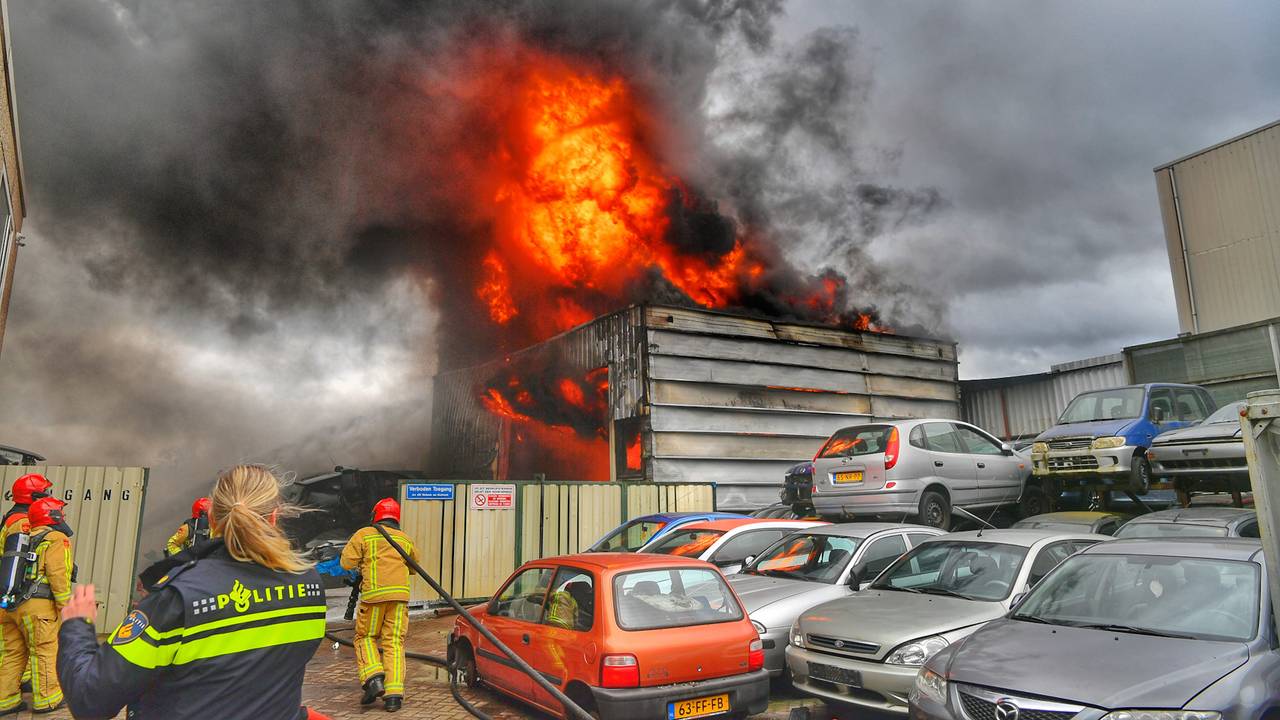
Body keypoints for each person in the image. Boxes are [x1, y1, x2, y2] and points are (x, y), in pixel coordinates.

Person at [55, 464, 328, 719]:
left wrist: (77, 625)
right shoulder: (309, 583)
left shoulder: (177, 598)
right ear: (274, 517)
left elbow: (91, 700)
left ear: (212, 519)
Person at [340, 498, 418, 713]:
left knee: (365, 637)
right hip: (399, 598)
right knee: (394, 642)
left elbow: (346, 562)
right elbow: (413, 567)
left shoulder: (364, 534)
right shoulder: (405, 539)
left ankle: (374, 679)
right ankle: (394, 696)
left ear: (376, 515)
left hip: (373, 597)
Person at [0, 496, 73, 714]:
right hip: (38, 610)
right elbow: (59, 575)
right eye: (60, 512)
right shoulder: (56, 539)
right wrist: (66, 608)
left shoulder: (19, 536)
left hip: (9, 607)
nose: (63, 516)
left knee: (12, 653)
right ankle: (48, 700)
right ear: (52, 516)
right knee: (44, 651)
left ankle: (5, 701)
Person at [0, 473, 54, 703]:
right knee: (38, 646)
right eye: (46, 492)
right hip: (18, 594)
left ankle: (8, 697)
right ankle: (45, 697)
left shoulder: (10, 517)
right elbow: (22, 560)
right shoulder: (23, 522)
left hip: (9, 593)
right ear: (35, 496)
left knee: (14, 649)